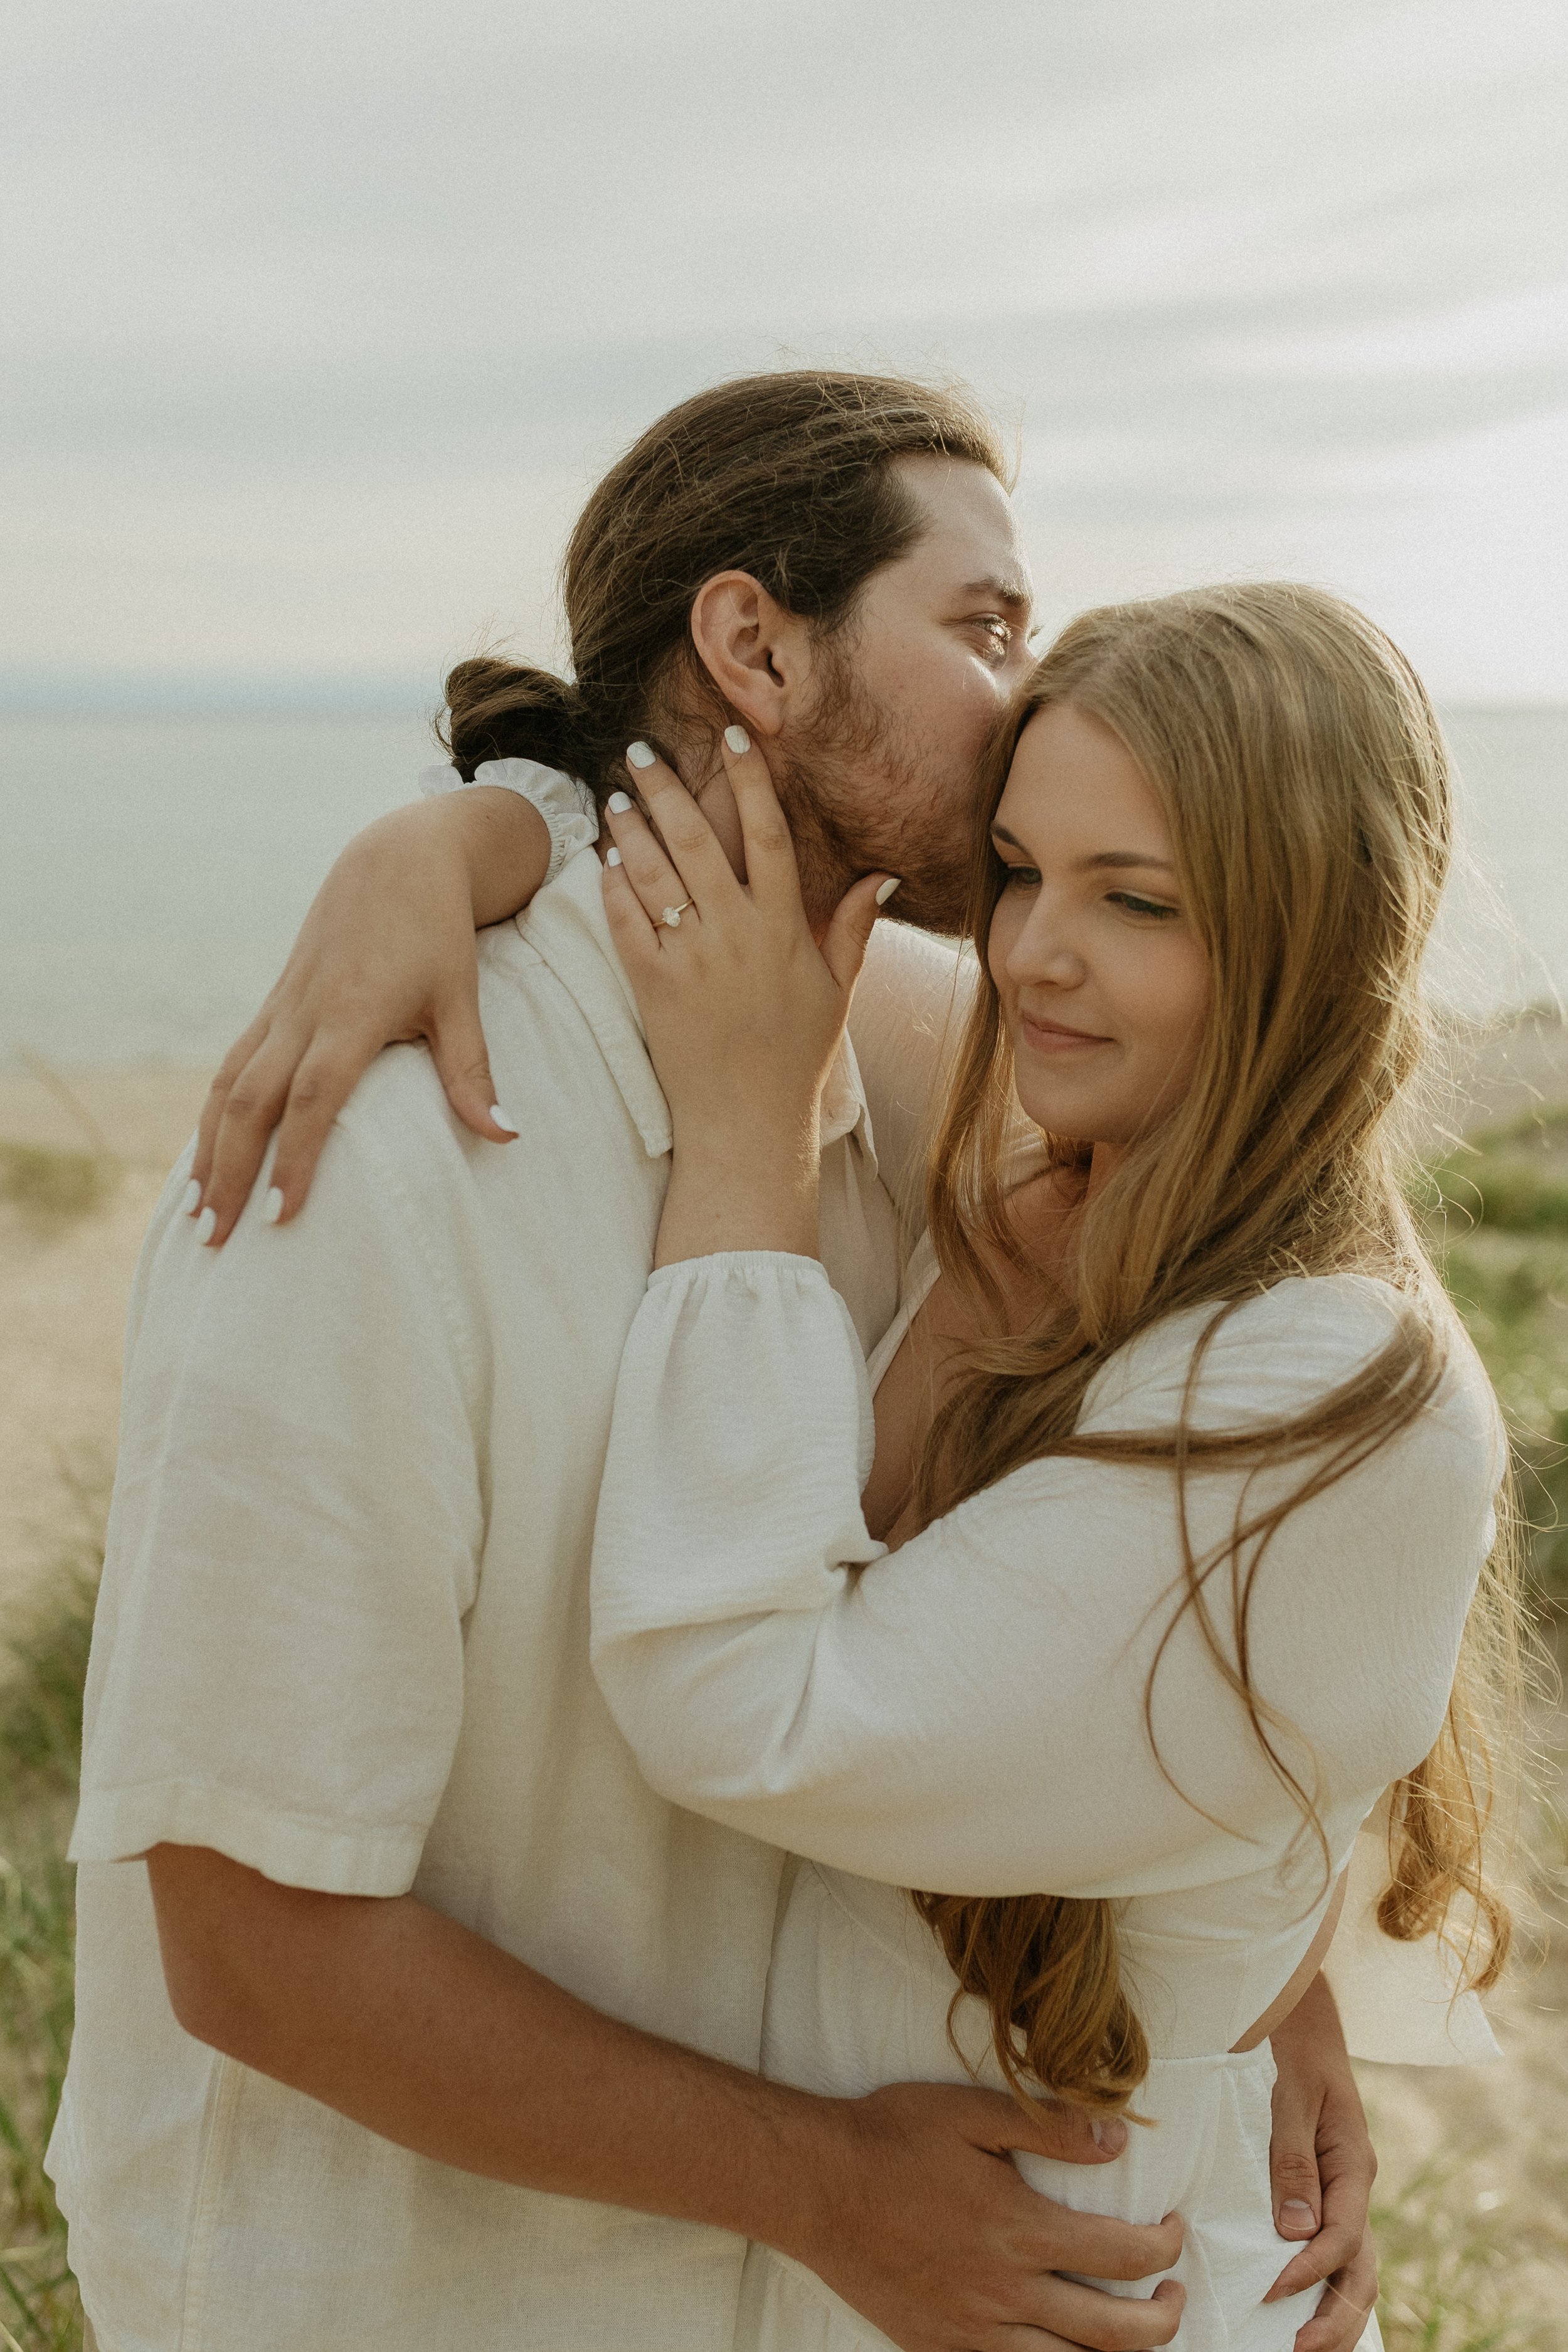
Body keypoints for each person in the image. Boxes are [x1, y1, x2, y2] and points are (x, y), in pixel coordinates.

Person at [60, 376, 1384, 2352]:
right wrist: (820, 2185)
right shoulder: (370, 1155)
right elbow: (254, 1944)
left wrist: (1266, 1993)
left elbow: (1098, 1594)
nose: (1025, 701)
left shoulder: (940, 1075)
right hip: (399, 2296)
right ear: (754, 645)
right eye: (984, 627)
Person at [581, 585, 1520, 2349]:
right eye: (1016, 870)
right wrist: (436, 852)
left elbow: (738, 1701)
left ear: (1315, 941)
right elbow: (702, 903)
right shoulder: (1087, 1142)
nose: (1028, 956)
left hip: (1112, 2285)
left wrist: (741, 1157)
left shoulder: (1335, 1388)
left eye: (1135, 900)